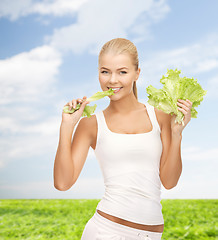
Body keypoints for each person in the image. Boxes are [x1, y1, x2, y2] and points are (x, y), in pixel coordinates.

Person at [53, 38, 192, 240]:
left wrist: (177, 133)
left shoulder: (161, 118)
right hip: (105, 230)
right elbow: (62, 183)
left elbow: (169, 181)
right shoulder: (90, 124)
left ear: (137, 73)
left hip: (151, 234)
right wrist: (67, 126)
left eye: (122, 72)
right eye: (105, 71)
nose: (112, 80)